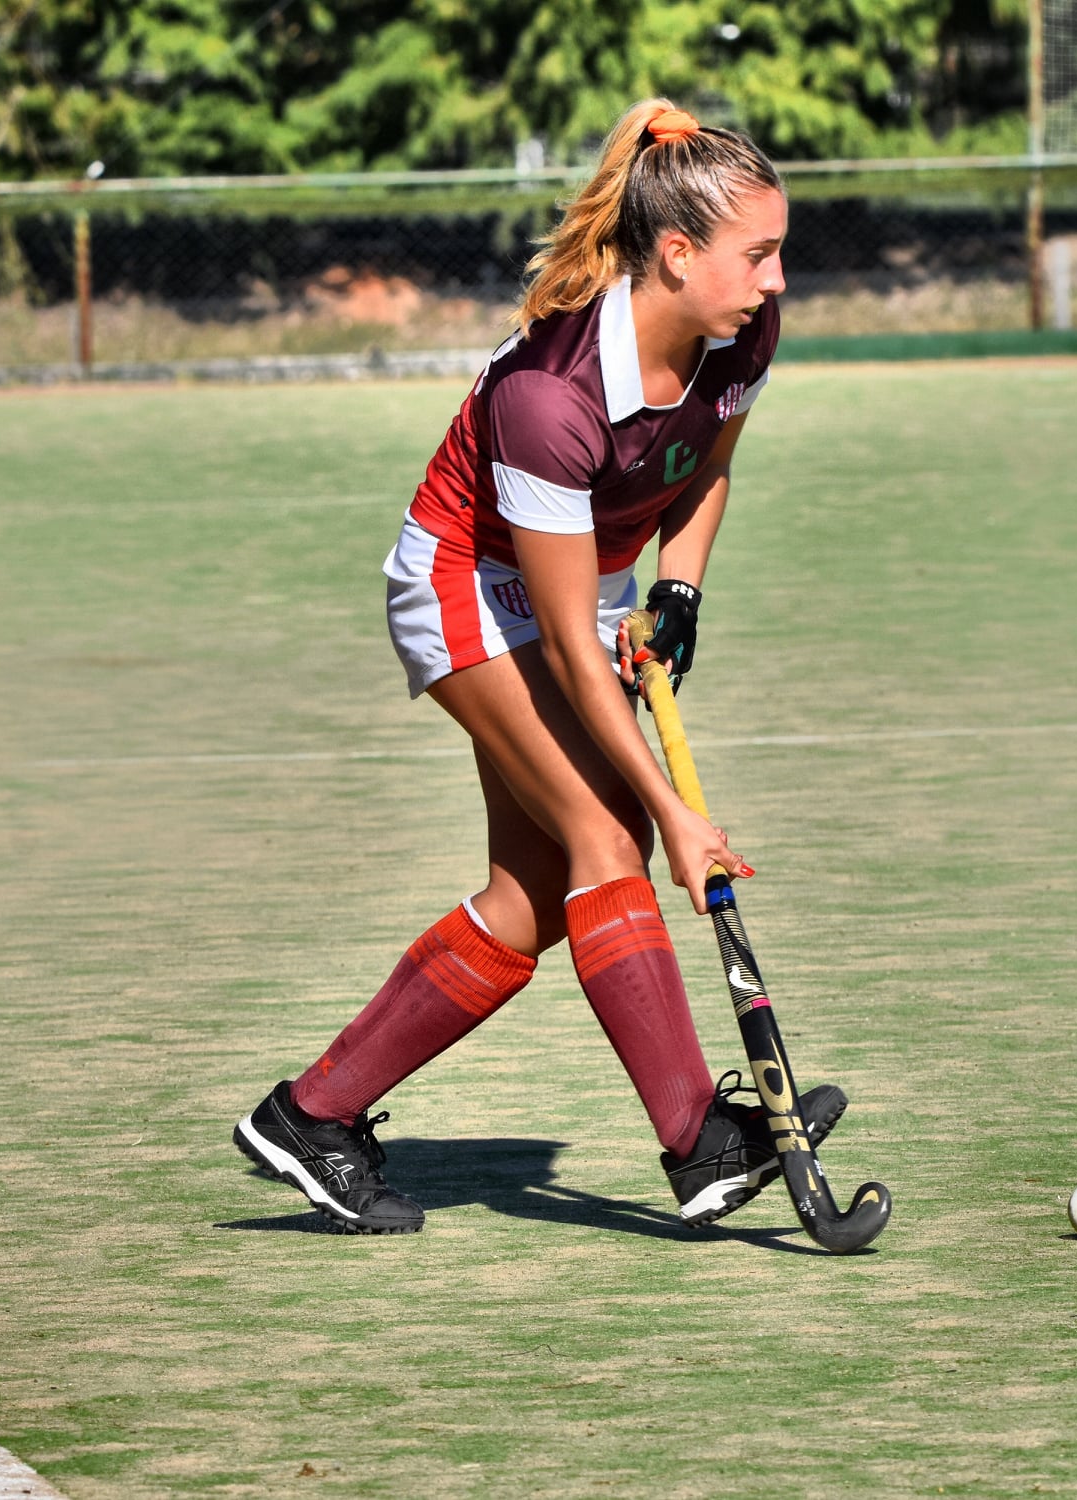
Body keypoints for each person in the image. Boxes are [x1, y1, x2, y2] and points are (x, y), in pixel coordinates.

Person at [233, 99, 845, 1235]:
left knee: (532, 899)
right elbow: (563, 644)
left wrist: (677, 591)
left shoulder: (741, 332)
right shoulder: (548, 396)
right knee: (608, 836)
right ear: (676, 254)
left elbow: (705, 465)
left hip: (585, 577)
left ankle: (310, 1116)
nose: (774, 280)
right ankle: (696, 1142)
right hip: (468, 583)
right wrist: (675, 817)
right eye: (757, 254)